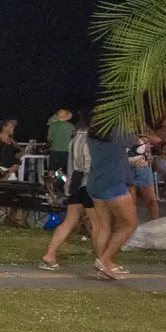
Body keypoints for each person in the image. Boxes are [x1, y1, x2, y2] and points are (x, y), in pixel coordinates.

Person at [41, 111, 95, 270]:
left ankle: (50, 254)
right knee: (99, 224)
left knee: (70, 221)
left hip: (74, 183)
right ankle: (104, 260)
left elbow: (49, 138)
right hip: (85, 183)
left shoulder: (73, 137)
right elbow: (87, 165)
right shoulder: (87, 139)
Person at [87, 126, 140, 280]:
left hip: (95, 181)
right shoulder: (118, 133)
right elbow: (136, 141)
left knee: (104, 226)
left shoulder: (92, 135)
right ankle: (104, 261)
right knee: (130, 224)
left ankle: (104, 264)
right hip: (113, 183)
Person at [130, 129, 161, 221]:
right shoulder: (119, 133)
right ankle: (132, 225)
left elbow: (157, 140)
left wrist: (142, 136)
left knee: (151, 200)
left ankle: (155, 223)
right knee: (131, 203)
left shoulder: (142, 131)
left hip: (143, 168)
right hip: (127, 168)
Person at [46, 109, 75, 176]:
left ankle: (50, 181)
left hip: (55, 150)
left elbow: (49, 139)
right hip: (67, 151)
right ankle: (64, 181)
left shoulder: (52, 125)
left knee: (52, 169)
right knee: (67, 170)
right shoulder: (71, 126)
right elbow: (74, 137)